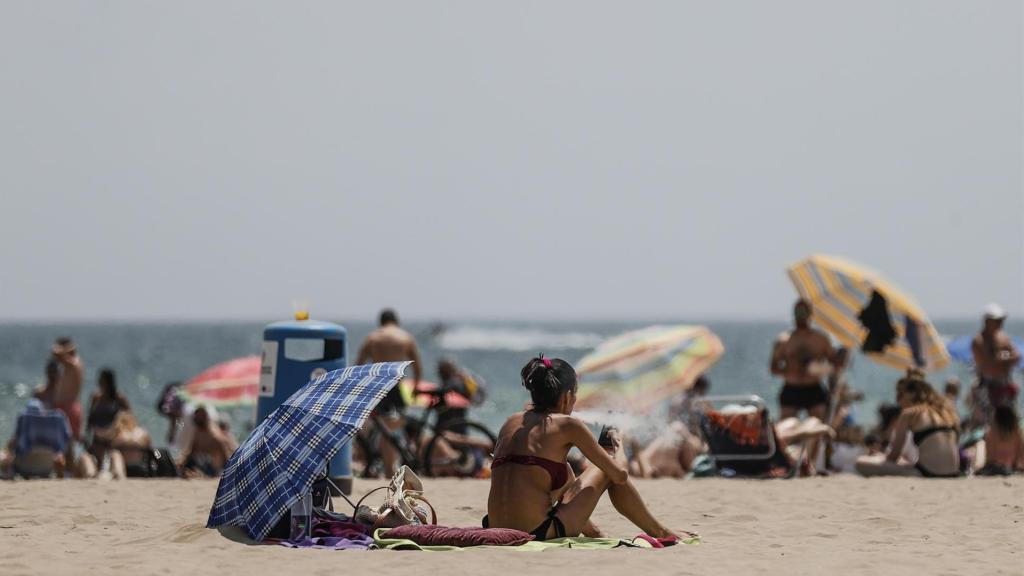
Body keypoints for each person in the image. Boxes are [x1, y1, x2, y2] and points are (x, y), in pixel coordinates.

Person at [484, 355, 678, 541]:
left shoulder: (511, 422)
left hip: (494, 526)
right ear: (567, 397)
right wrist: (618, 446)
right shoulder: (567, 424)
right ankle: (661, 531)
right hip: (536, 532)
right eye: (575, 395)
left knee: (565, 474)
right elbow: (620, 475)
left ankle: (596, 533)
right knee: (607, 469)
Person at [356, 308, 422, 475]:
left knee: (385, 429)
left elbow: (358, 366)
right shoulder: (405, 337)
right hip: (396, 387)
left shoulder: (372, 338)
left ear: (381, 322)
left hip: (379, 387)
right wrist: (415, 388)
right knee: (392, 427)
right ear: (396, 321)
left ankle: (388, 468)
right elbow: (418, 368)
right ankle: (398, 463)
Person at [856, 373, 960, 477]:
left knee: (861, 462)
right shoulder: (946, 412)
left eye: (900, 395)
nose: (897, 400)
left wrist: (880, 456)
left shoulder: (909, 413)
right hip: (954, 471)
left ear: (912, 394)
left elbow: (893, 457)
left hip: (929, 472)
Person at [770, 300, 835, 421]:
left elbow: (833, 365)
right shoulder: (783, 340)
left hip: (814, 387)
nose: (800, 316)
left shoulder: (821, 339)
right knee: (786, 426)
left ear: (810, 314)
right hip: (791, 387)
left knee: (818, 425)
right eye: (798, 312)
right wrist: (790, 369)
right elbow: (773, 368)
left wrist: (817, 368)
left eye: (803, 312)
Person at [0, 399, 71, 478]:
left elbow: (14, 447)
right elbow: (67, 438)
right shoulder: (55, 423)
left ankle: (6, 474)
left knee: (4, 453)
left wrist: (8, 449)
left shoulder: (24, 422)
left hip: (24, 466)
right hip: (47, 467)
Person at [971, 304, 1020, 411]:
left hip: (1005, 384)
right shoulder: (979, 340)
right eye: (997, 320)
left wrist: (1001, 358)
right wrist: (1005, 358)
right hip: (986, 386)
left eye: (1001, 320)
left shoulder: (1003, 337)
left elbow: (1017, 356)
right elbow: (989, 364)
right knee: (988, 420)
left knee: (1009, 420)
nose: (1000, 323)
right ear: (987, 321)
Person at [177, 406, 235, 478]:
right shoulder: (198, 431)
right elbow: (191, 450)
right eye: (196, 415)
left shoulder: (213, 434)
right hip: (203, 464)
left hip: (213, 467)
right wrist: (182, 460)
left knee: (203, 461)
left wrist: (229, 468)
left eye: (198, 416)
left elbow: (225, 451)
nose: (195, 417)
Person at [86, 369, 130, 461]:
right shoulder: (96, 397)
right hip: (98, 435)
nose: (99, 382)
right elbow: (90, 419)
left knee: (113, 458)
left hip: (113, 434)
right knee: (96, 460)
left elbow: (128, 416)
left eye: (102, 379)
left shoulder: (119, 398)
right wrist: (87, 437)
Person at [51, 337, 85, 444]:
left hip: (69, 408)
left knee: (69, 442)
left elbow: (56, 354)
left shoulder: (74, 362)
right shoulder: (71, 363)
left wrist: (63, 348)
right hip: (66, 407)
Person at [976, 405, 1024, 476]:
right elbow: (1021, 456)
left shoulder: (991, 433)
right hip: (1009, 467)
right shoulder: (1017, 433)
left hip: (996, 467)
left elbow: (990, 458)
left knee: (980, 444)